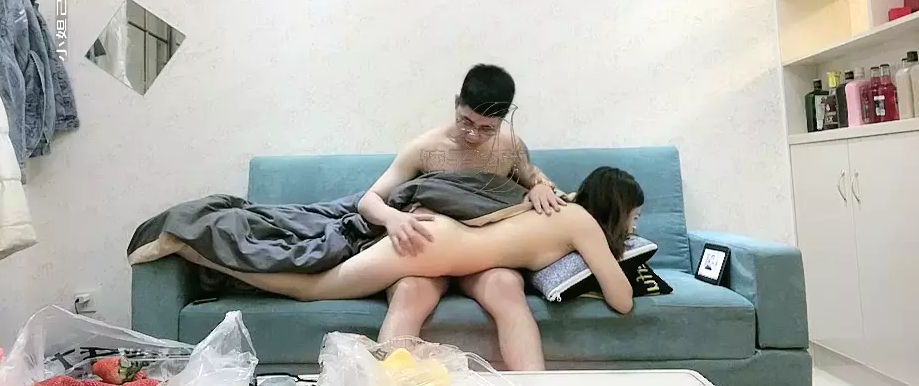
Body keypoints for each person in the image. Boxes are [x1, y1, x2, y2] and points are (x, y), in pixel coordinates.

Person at [174, 167, 643, 318]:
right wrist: (614, 256)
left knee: (314, 281)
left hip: (440, 236)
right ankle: (196, 250)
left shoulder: (561, 203)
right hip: (430, 244)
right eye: (634, 216)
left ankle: (205, 252)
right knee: (311, 287)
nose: (635, 224)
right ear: (616, 208)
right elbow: (622, 301)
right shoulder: (581, 223)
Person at [360, 64, 564, 370]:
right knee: (409, 292)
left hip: (482, 254)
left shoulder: (509, 147)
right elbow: (369, 200)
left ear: (501, 121)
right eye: (466, 121)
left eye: (486, 128)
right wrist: (392, 218)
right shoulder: (426, 148)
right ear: (457, 102)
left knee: (507, 287)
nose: (472, 134)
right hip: (429, 256)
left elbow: (535, 178)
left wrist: (541, 187)